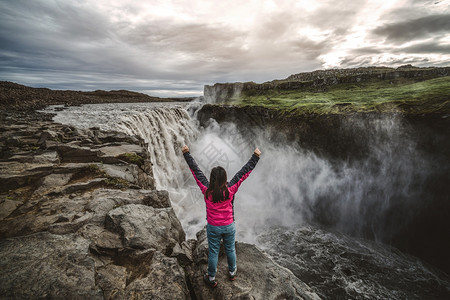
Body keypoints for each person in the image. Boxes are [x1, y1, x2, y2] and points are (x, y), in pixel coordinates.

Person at [182, 145, 261, 287]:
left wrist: (186, 153)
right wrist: (255, 157)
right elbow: (243, 172)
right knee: (230, 249)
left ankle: (211, 278)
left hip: (213, 227)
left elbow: (196, 171)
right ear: (225, 178)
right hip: (229, 225)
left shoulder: (206, 191)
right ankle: (232, 272)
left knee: (213, 252)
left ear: (211, 180)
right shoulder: (231, 189)